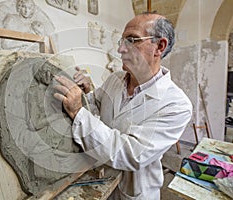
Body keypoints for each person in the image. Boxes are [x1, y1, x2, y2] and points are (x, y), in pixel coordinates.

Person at [53, 12, 192, 199]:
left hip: (134, 192)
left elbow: (131, 154)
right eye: (122, 40)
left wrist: (78, 110)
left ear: (160, 46)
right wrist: (86, 94)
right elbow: (95, 105)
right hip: (102, 182)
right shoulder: (115, 79)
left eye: (132, 40)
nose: (120, 49)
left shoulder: (176, 105)